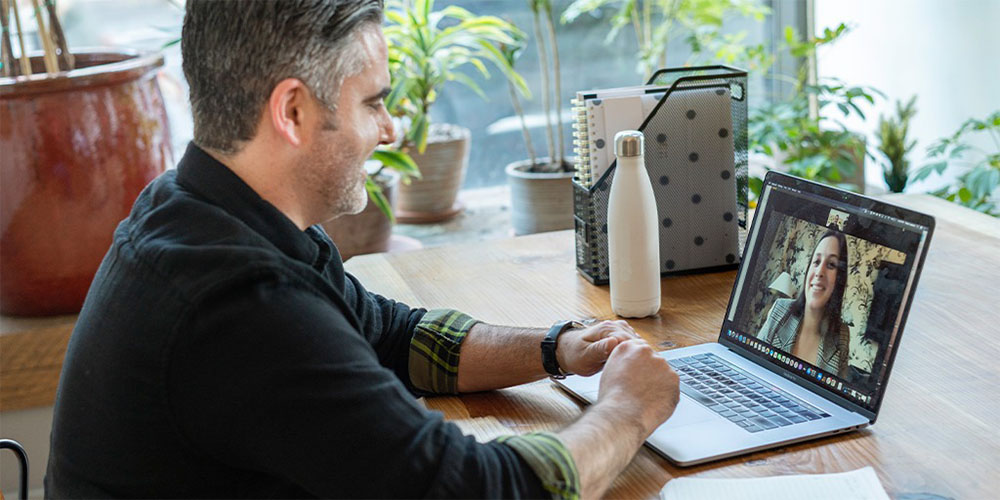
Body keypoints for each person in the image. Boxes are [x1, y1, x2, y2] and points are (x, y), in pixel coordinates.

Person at [45, 1, 680, 498]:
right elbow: (479, 492)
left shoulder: (200, 206)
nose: (391, 128)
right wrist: (627, 410)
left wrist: (558, 347)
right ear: (292, 111)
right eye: (373, 101)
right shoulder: (240, 305)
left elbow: (391, 335)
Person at [757, 229, 851, 377]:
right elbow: (753, 362)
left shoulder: (842, 335)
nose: (820, 272)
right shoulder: (780, 309)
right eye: (817, 261)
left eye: (831, 265)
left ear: (839, 279)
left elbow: (835, 393)